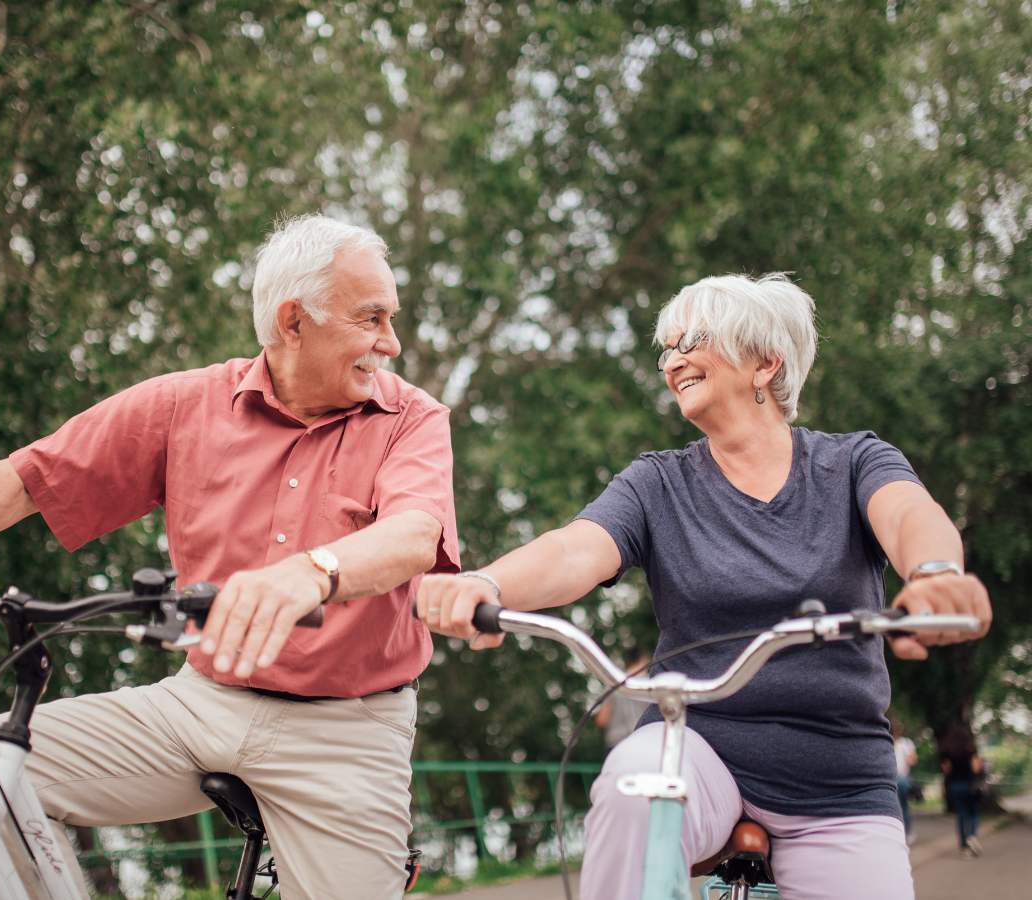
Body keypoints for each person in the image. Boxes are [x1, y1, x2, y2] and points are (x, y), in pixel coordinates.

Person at [0, 215, 459, 900]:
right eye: (371, 320)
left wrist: (313, 573)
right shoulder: (184, 405)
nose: (391, 344)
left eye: (390, 320)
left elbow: (412, 537)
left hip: (346, 727)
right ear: (293, 321)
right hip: (200, 704)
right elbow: (28, 478)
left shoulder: (411, 418)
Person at [416, 273, 992, 900]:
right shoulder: (658, 484)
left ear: (765, 363)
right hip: (697, 747)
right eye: (666, 348)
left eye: (692, 340)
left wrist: (936, 575)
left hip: (837, 776)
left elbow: (910, 515)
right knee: (633, 787)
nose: (673, 360)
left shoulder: (852, 463)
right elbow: (574, 547)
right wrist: (487, 581)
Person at [594, 643, 652, 752]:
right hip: (641, 743)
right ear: (644, 659)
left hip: (615, 746)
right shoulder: (650, 684)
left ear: (627, 661)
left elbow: (602, 720)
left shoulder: (613, 683)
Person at [940, 721, 984, 857]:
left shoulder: (947, 750)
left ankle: (964, 846)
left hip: (955, 785)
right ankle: (972, 837)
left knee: (962, 815)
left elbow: (947, 770)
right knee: (974, 814)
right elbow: (976, 768)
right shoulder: (971, 748)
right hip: (970, 786)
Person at [890, 719, 918, 844]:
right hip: (903, 778)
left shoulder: (886, 742)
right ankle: (908, 833)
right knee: (905, 807)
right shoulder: (906, 743)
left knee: (894, 808)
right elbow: (913, 761)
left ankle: (896, 834)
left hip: (890, 779)